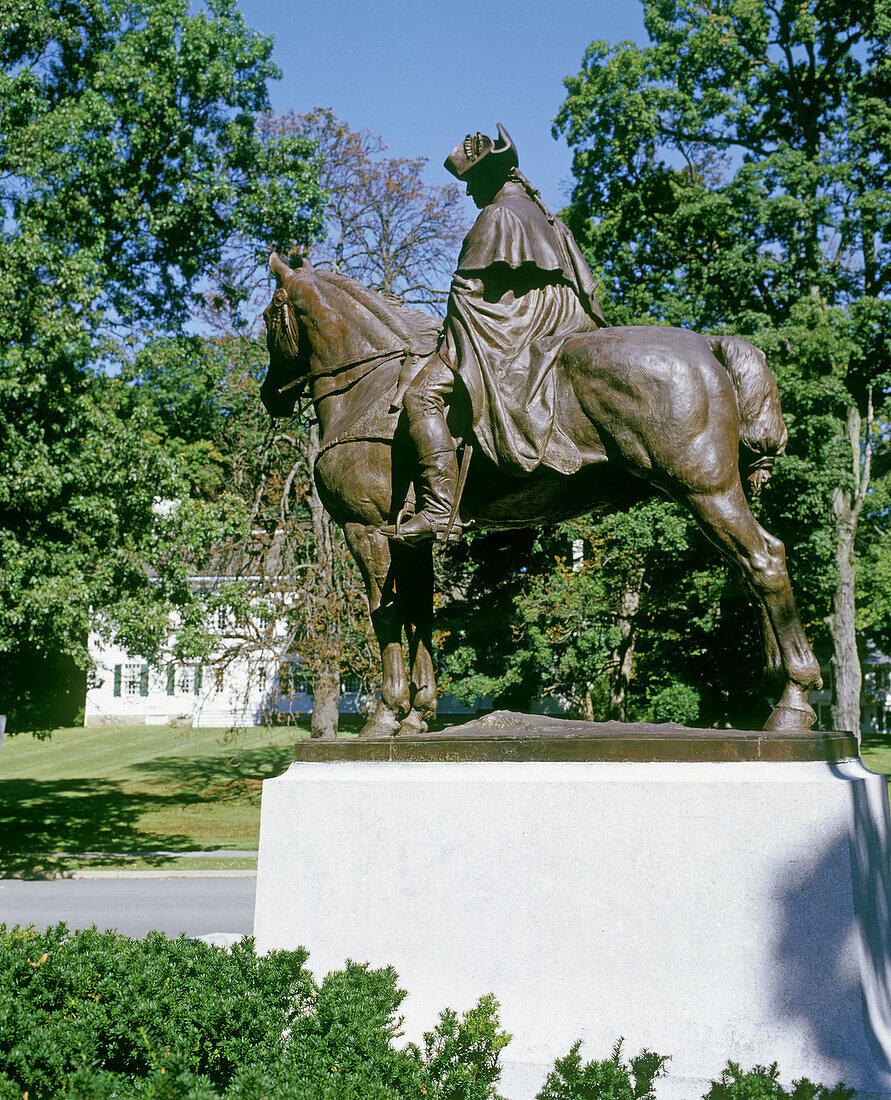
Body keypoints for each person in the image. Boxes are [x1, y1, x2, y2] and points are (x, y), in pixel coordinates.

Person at [384, 124, 607, 544]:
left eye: (471, 182)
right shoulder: (546, 217)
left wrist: (447, 338)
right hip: (562, 318)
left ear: (491, 175)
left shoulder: (498, 214)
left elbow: (468, 290)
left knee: (421, 394)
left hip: (518, 322)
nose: (469, 194)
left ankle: (439, 508)